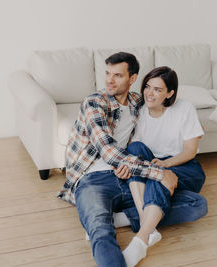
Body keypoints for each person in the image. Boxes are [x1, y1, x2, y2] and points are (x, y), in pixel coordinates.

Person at [57, 52, 208, 267]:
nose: (109, 80)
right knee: (100, 231)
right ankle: (133, 230)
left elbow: (166, 119)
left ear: (133, 79)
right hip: (94, 179)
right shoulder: (94, 103)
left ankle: (128, 220)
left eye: (117, 75)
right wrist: (159, 172)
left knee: (196, 204)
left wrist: (194, 130)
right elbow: (109, 152)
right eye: (107, 73)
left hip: (131, 176)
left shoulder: (139, 102)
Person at [115, 66, 206, 266]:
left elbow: (190, 151)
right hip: (149, 166)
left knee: (199, 205)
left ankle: (130, 218)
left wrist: (164, 165)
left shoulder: (184, 108)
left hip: (183, 166)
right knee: (137, 149)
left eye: (157, 89)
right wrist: (155, 170)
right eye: (148, 86)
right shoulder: (137, 111)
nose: (150, 93)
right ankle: (144, 237)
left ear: (169, 93)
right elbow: (133, 151)